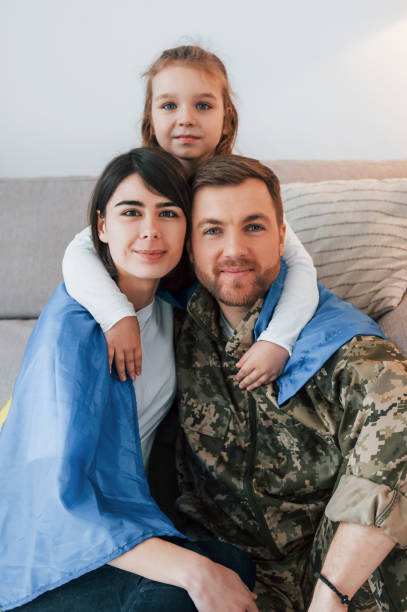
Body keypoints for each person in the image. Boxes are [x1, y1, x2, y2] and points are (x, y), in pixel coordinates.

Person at [0, 148, 258, 612]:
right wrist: (189, 568)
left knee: (232, 566)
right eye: (130, 213)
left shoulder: (176, 309)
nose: (150, 231)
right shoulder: (73, 333)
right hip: (49, 540)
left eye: (168, 213)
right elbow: (54, 497)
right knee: (193, 585)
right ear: (101, 227)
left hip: (127, 516)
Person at [173, 154, 407, 612]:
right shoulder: (178, 323)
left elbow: (398, 404)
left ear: (283, 237)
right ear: (189, 246)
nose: (234, 250)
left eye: (254, 227)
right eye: (213, 230)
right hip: (232, 568)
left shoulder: (339, 340)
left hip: (342, 570)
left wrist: (331, 595)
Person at [62, 45, 319, 389]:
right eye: (169, 105)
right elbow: (81, 251)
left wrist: (278, 340)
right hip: (173, 326)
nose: (186, 118)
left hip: (243, 318)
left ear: (226, 116)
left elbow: (301, 266)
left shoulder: (239, 187)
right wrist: (117, 316)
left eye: (203, 105)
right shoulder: (140, 182)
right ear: (150, 118)